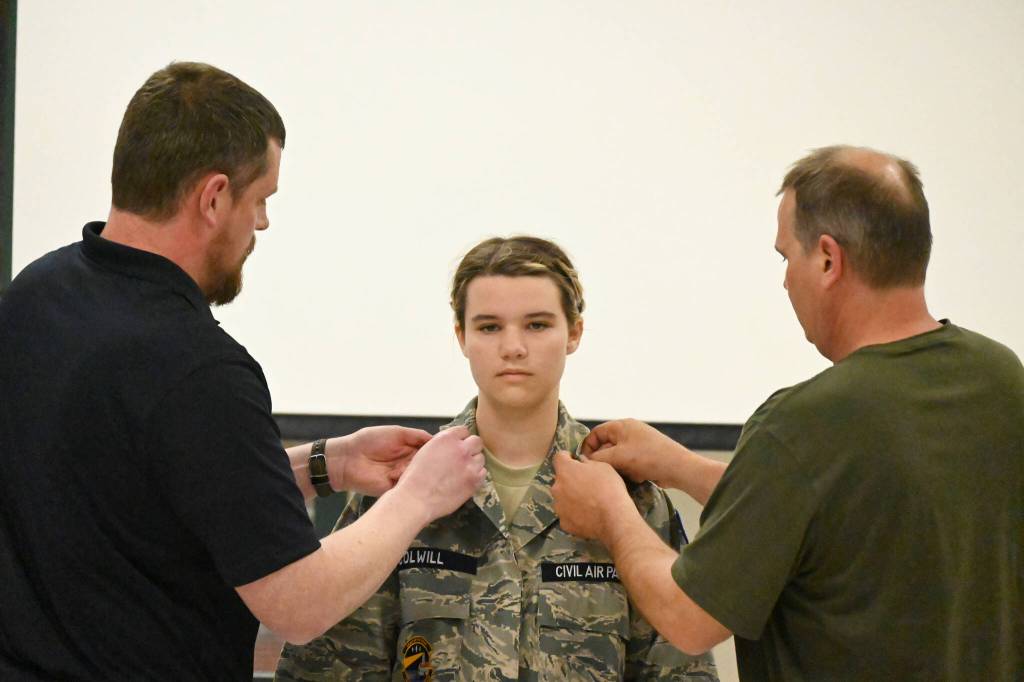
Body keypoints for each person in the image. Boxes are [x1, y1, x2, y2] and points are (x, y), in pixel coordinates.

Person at [0, 62, 486, 681]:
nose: (261, 224)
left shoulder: (35, 294)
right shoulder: (198, 368)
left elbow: (152, 492)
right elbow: (299, 602)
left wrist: (329, 464)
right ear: (213, 196)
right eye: (260, 201)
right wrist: (420, 496)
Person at [551, 146, 1023, 681]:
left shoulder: (803, 423)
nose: (783, 280)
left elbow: (688, 617)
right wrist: (679, 465)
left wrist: (611, 511)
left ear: (827, 259)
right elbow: (843, 514)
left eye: (785, 257)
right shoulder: (1001, 379)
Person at [276, 236, 718, 680]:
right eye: (489, 327)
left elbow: (679, 668)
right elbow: (326, 669)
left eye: (537, 325)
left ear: (575, 333)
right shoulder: (402, 490)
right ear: (461, 336)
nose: (513, 347)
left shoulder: (629, 499)